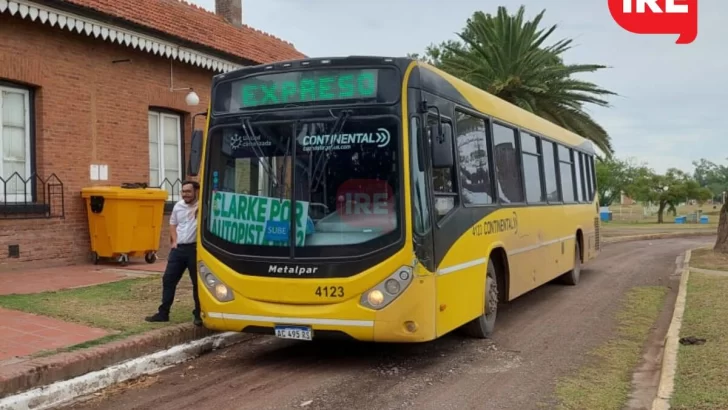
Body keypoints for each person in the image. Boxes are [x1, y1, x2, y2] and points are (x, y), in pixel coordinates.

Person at [145, 180, 202, 326]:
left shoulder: (203, 205)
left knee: (197, 283)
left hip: (195, 249)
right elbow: (172, 223)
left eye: (188, 191)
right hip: (178, 250)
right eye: (183, 191)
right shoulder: (178, 206)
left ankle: (199, 314)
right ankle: (163, 313)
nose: (185, 194)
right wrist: (174, 241)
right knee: (168, 279)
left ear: (196, 191)